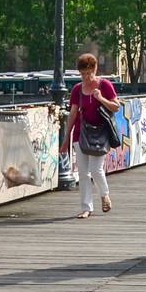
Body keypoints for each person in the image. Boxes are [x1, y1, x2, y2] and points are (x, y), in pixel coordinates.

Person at [64, 53, 119, 218]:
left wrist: (100, 98)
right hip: (81, 134)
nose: (86, 77)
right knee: (83, 173)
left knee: (96, 169)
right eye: (82, 74)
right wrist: (66, 137)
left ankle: (105, 195)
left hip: (100, 134)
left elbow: (115, 106)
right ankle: (86, 207)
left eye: (89, 73)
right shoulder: (76, 89)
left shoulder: (105, 85)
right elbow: (73, 113)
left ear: (95, 70)